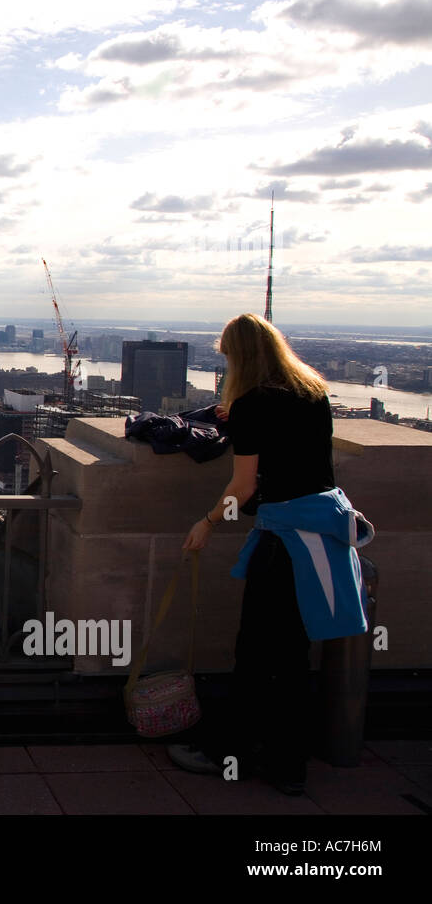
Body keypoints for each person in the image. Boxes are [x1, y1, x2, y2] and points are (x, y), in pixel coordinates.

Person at [169, 312, 339, 795]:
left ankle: (233, 753)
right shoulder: (313, 391)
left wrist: (206, 522)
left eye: (225, 355)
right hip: (325, 533)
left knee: (255, 650)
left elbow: (242, 486)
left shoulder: (252, 403)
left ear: (239, 356)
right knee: (293, 653)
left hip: (284, 539)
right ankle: (289, 765)